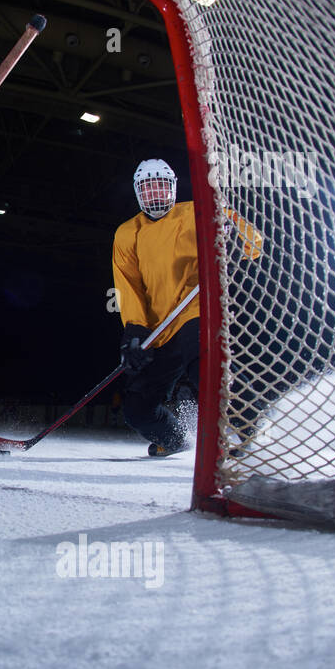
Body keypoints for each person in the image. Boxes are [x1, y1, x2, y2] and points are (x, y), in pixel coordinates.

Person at [112, 158, 261, 457]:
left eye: (161, 186)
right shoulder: (128, 233)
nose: (156, 193)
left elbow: (253, 243)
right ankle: (176, 439)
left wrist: (235, 242)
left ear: (173, 188)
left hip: (195, 313)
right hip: (159, 329)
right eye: (148, 187)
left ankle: (249, 430)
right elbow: (127, 286)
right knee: (137, 408)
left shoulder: (199, 211)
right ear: (139, 192)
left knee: (207, 371)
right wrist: (134, 329)